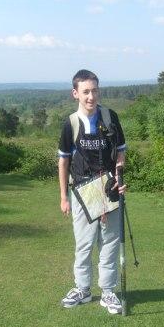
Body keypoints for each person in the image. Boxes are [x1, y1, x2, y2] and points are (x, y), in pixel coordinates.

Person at [58, 69, 127, 314]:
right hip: (82, 191)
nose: (91, 96)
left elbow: (120, 151)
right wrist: (64, 197)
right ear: (75, 93)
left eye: (94, 90)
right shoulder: (71, 123)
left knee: (109, 242)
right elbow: (63, 161)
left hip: (109, 188)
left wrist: (119, 177)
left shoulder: (110, 117)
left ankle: (108, 292)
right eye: (85, 91)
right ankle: (83, 289)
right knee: (84, 244)